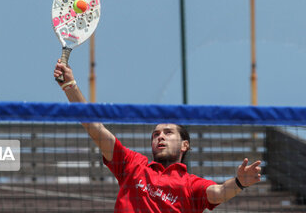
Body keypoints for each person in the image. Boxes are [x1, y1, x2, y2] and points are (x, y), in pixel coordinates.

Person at [54, 60, 262, 213]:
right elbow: (95, 128)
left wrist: (238, 183)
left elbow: (218, 193)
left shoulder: (190, 184)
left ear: (184, 145)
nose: (160, 137)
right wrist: (69, 86)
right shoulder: (132, 164)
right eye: (156, 134)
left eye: (168, 132)